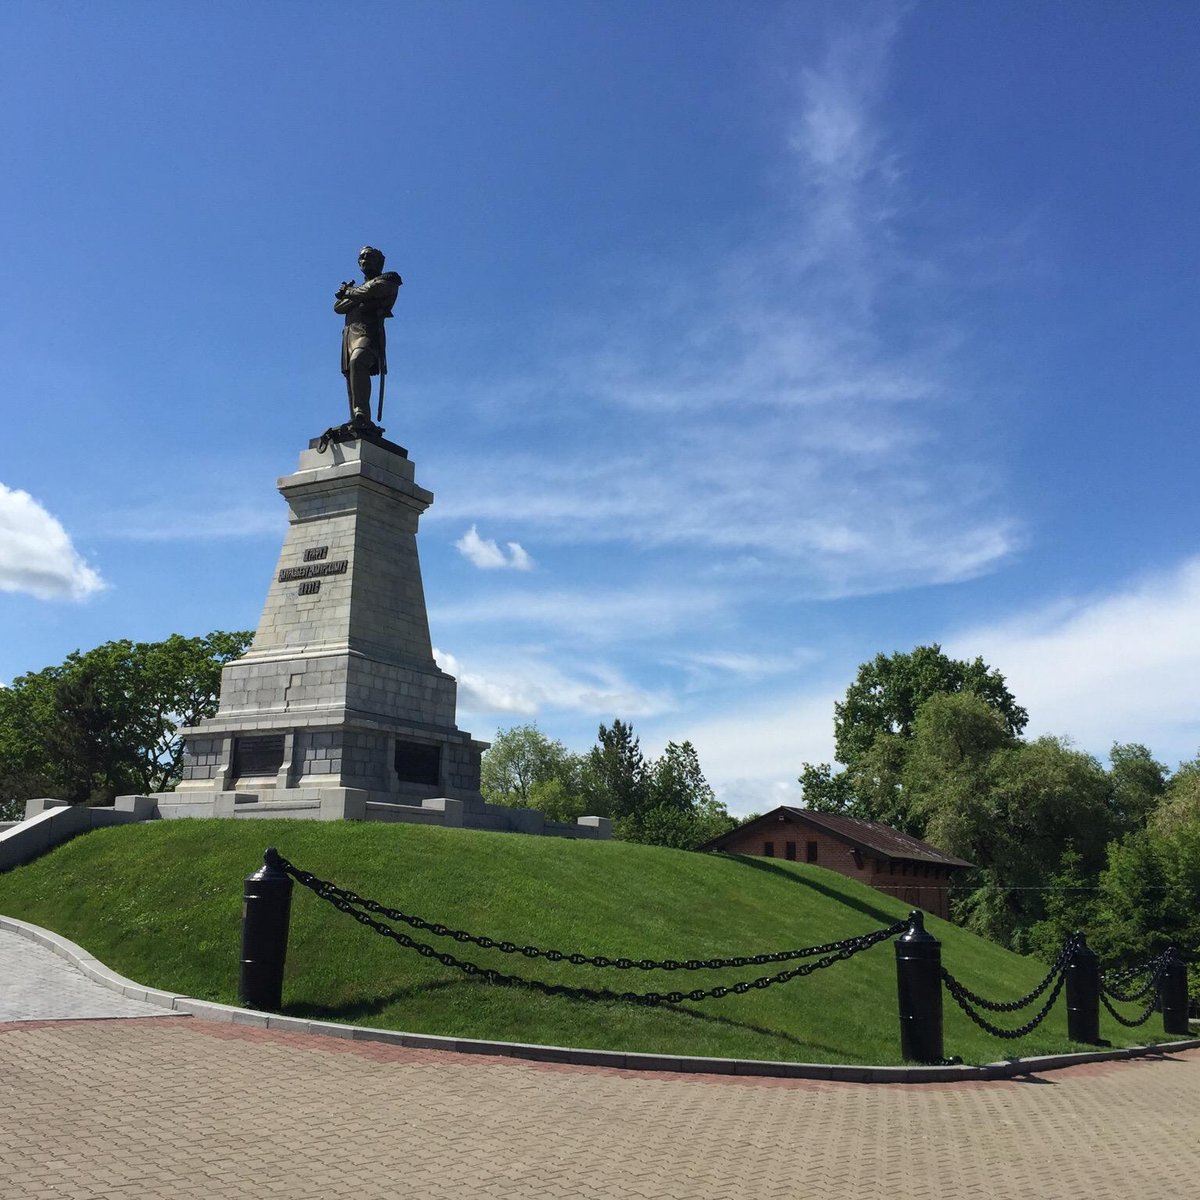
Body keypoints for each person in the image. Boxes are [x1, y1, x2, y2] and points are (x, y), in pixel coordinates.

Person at [334, 246, 402, 428]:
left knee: (358, 361)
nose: (365, 260)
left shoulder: (389, 279)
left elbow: (371, 292)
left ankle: (361, 413)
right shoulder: (361, 287)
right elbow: (338, 307)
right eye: (362, 257)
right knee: (351, 374)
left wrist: (350, 292)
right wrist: (355, 294)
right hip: (349, 334)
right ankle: (359, 418)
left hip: (369, 332)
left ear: (380, 262)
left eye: (369, 257)